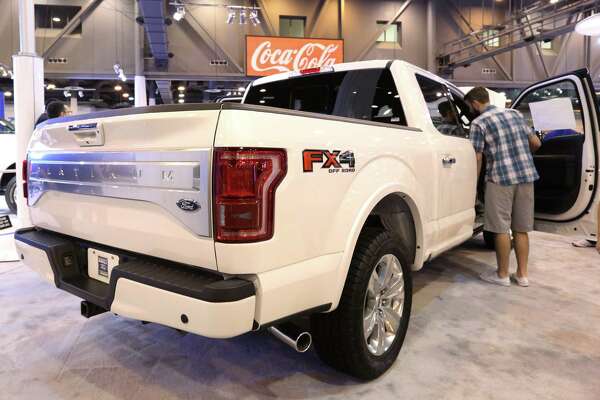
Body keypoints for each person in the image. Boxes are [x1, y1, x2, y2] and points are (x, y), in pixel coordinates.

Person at [465, 87, 542, 287]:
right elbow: (536, 143)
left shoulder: (479, 123)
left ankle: (502, 275)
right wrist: (524, 157)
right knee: (521, 229)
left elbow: (477, 157)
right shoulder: (515, 114)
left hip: (499, 179)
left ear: (475, 103)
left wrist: (473, 184)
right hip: (526, 177)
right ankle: (522, 275)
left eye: (470, 106)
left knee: (501, 229)